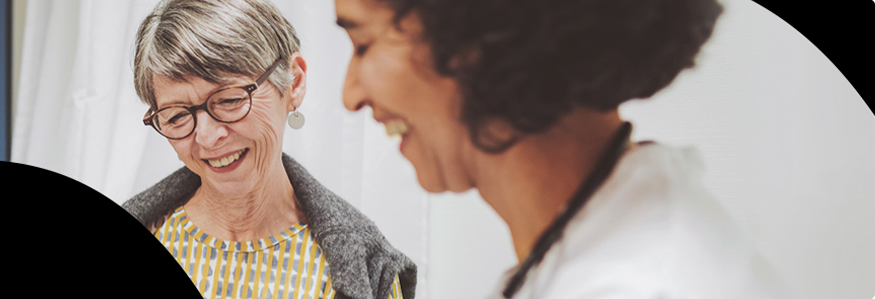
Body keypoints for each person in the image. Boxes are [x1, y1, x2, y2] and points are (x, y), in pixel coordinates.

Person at [333, 0, 784, 298]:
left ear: (476, 37)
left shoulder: (633, 284)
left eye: (363, 44)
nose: (349, 95)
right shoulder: (608, 240)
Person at [121, 1, 415, 298]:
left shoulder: (371, 269)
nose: (207, 138)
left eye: (229, 100)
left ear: (293, 83)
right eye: (176, 116)